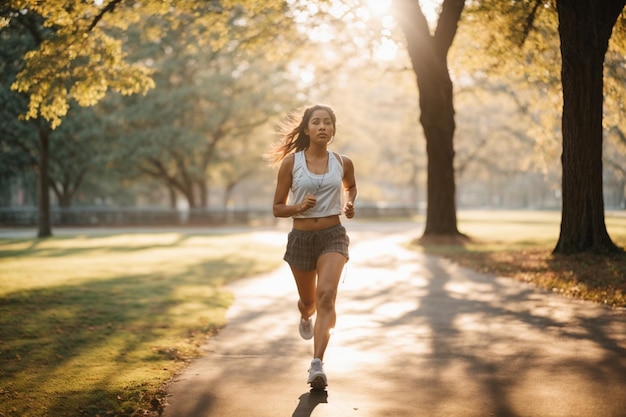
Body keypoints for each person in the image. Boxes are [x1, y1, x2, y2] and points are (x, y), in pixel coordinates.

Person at [268, 104, 357, 390]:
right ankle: (305, 314)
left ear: (332, 129)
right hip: (301, 239)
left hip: (333, 234)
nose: (322, 127)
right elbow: (277, 208)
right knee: (309, 302)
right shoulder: (291, 164)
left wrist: (350, 201)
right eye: (316, 122)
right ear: (306, 129)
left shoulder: (342, 162)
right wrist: (298, 206)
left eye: (327, 122)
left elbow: (351, 186)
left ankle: (317, 363)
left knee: (326, 296)